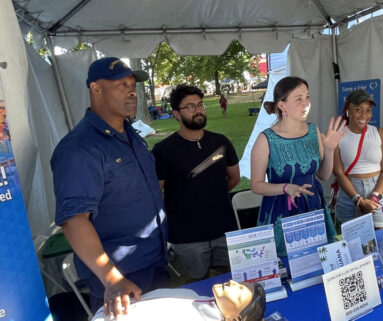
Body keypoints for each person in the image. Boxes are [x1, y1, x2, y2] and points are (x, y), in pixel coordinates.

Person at [51, 57, 168, 318]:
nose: (131, 91)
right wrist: (111, 278)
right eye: (121, 84)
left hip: (154, 258)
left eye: (132, 85)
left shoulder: (130, 134)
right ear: (96, 89)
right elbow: (73, 221)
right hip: (122, 274)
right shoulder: (80, 149)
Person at [151, 85, 240, 280]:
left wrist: (212, 195)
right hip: (187, 234)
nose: (198, 110)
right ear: (176, 113)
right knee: (200, 283)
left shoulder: (220, 143)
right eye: (190, 107)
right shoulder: (163, 150)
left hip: (224, 226)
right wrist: (183, 203)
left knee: (233, 278)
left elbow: (234, 178)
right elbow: (156, 192)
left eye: (200, 105)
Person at [250, 76, 344, 256]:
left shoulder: (312, 131)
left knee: (318, 260)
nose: (306, 103)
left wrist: (330, 150)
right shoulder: (266, 139)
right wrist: (286, 188)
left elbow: (323, 176)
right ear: (282, 105)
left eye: (307, 97)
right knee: (287, 266)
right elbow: (256, 185)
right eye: (299, 99)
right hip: (282, 211)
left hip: (313, 206)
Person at [333, 89, 383, 229]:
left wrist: (374, 197)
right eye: (358, 109)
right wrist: (358, 199)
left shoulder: (380, 133)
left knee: (380, 236)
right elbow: (338, 172)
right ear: (348, 110)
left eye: (368, 110)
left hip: (379, 190)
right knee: (350, 239)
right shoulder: (337, 135)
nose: (364, 115)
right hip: (349, 191)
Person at [91, 280, 266, 321]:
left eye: (240, 290)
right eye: (240, 283)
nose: (233, 282)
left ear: (235, 318)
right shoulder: (189, 293)